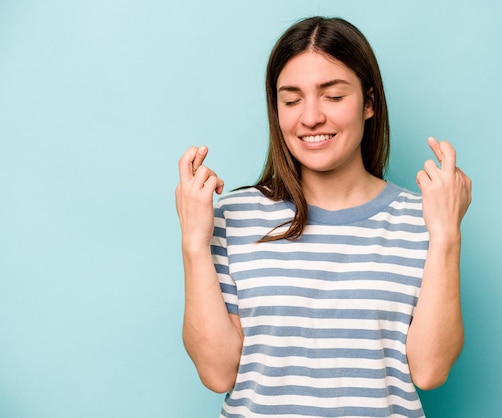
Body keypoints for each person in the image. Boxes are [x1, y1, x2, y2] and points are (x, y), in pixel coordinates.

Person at [175, 16, 472, 418]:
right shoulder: (232, 217)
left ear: (369, 102)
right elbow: (216, 373)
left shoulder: (422, 219)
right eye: (291, 100)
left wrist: (446, 234)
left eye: (332, 96)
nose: (310, 117)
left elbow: (431, 370)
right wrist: (194, 243)